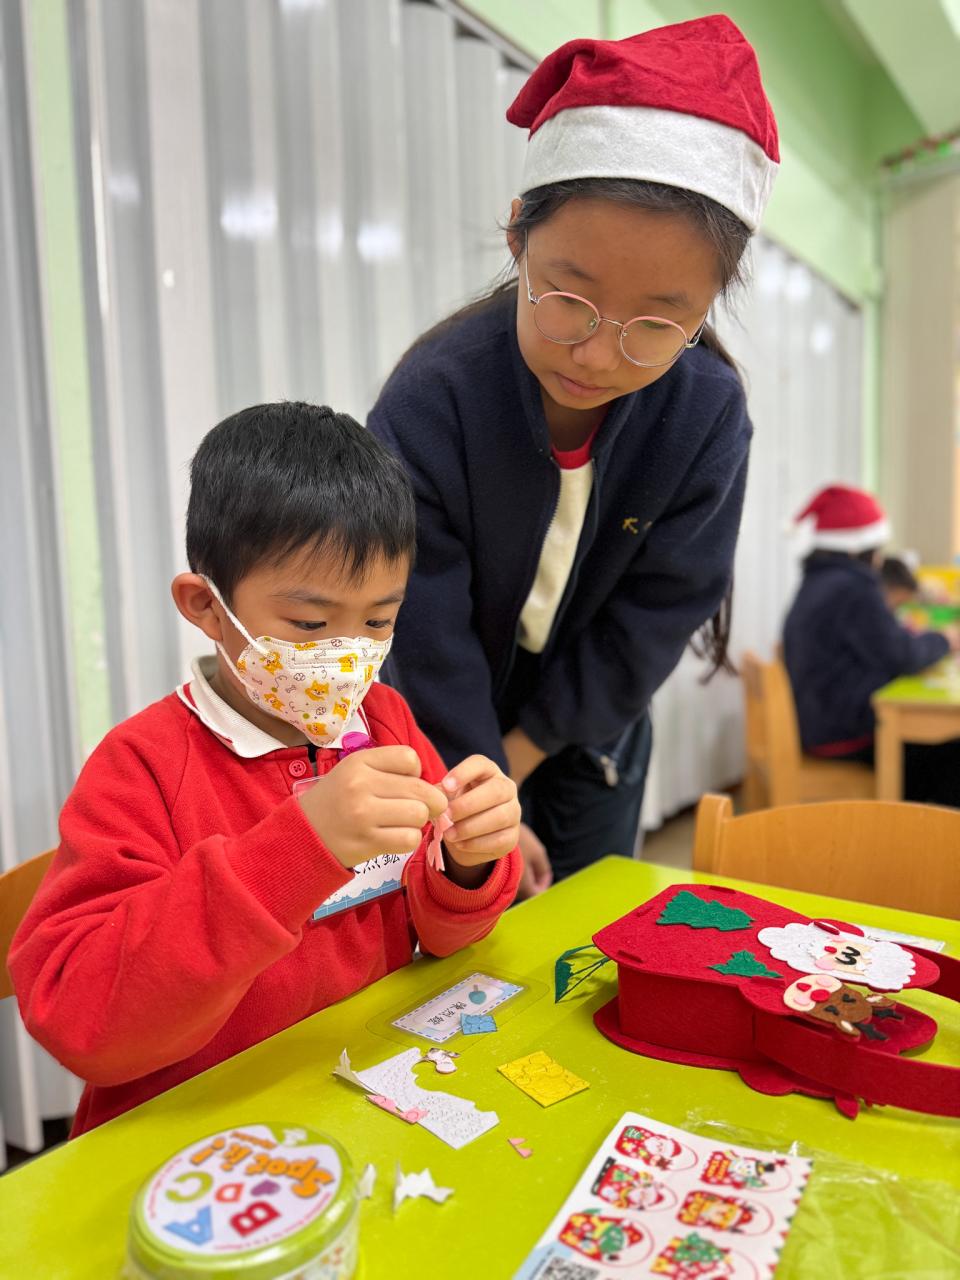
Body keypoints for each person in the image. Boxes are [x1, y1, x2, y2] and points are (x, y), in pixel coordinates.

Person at [10, 403, 521, 1135]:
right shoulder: (144, 766)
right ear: (207, 607)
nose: (348, 655)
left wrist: (469, 862)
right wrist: (298, 850)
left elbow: (441, 934)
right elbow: (82, 1020)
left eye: (378, 620)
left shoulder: (383, 721)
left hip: (357, 1098)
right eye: (310, 625)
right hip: (190, 1136)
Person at [368, 16, 780, 897]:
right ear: (518, 235)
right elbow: (421, 621)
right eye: (569, 298)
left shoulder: (704, 415)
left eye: (657, 324)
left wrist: (524, 754)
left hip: (594, 726)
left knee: (586, 931)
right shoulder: (436, 397)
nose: (596, 355)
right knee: (459, 928)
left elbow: (660, 608)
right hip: (441, 722)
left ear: (707, 306)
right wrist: (482, 785)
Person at [783, 483, 960, 805]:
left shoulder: (816, 582)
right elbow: (903, 655)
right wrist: (945, 639)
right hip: (846, 733)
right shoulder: (856, 588)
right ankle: (924, 832)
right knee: (949, 756)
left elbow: (882, 646)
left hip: (820, 725)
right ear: (861, 549)